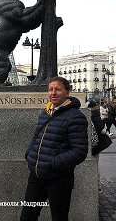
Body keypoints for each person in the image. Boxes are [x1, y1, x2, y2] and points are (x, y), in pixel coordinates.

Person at [20, 76, 88, 221]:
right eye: (50, 89)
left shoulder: (76, 117)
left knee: (59, 217)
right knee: (27, 216)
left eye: (57, 89)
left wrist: (53, 164)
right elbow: (36, 137)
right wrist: (30, 155)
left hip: (59, 178)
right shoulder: (46, 113)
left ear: (67, 92)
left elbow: (80, 151)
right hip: (36, 176)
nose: (53, 93)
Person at [89, 99, 106, 193]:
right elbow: (99, 127)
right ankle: (97, 185)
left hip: (94, 143)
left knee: (95, 164)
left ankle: (98, 185)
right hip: (95, 143)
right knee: (95, 164)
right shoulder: (95, 114)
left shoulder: (92, 114)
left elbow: (98, 127)